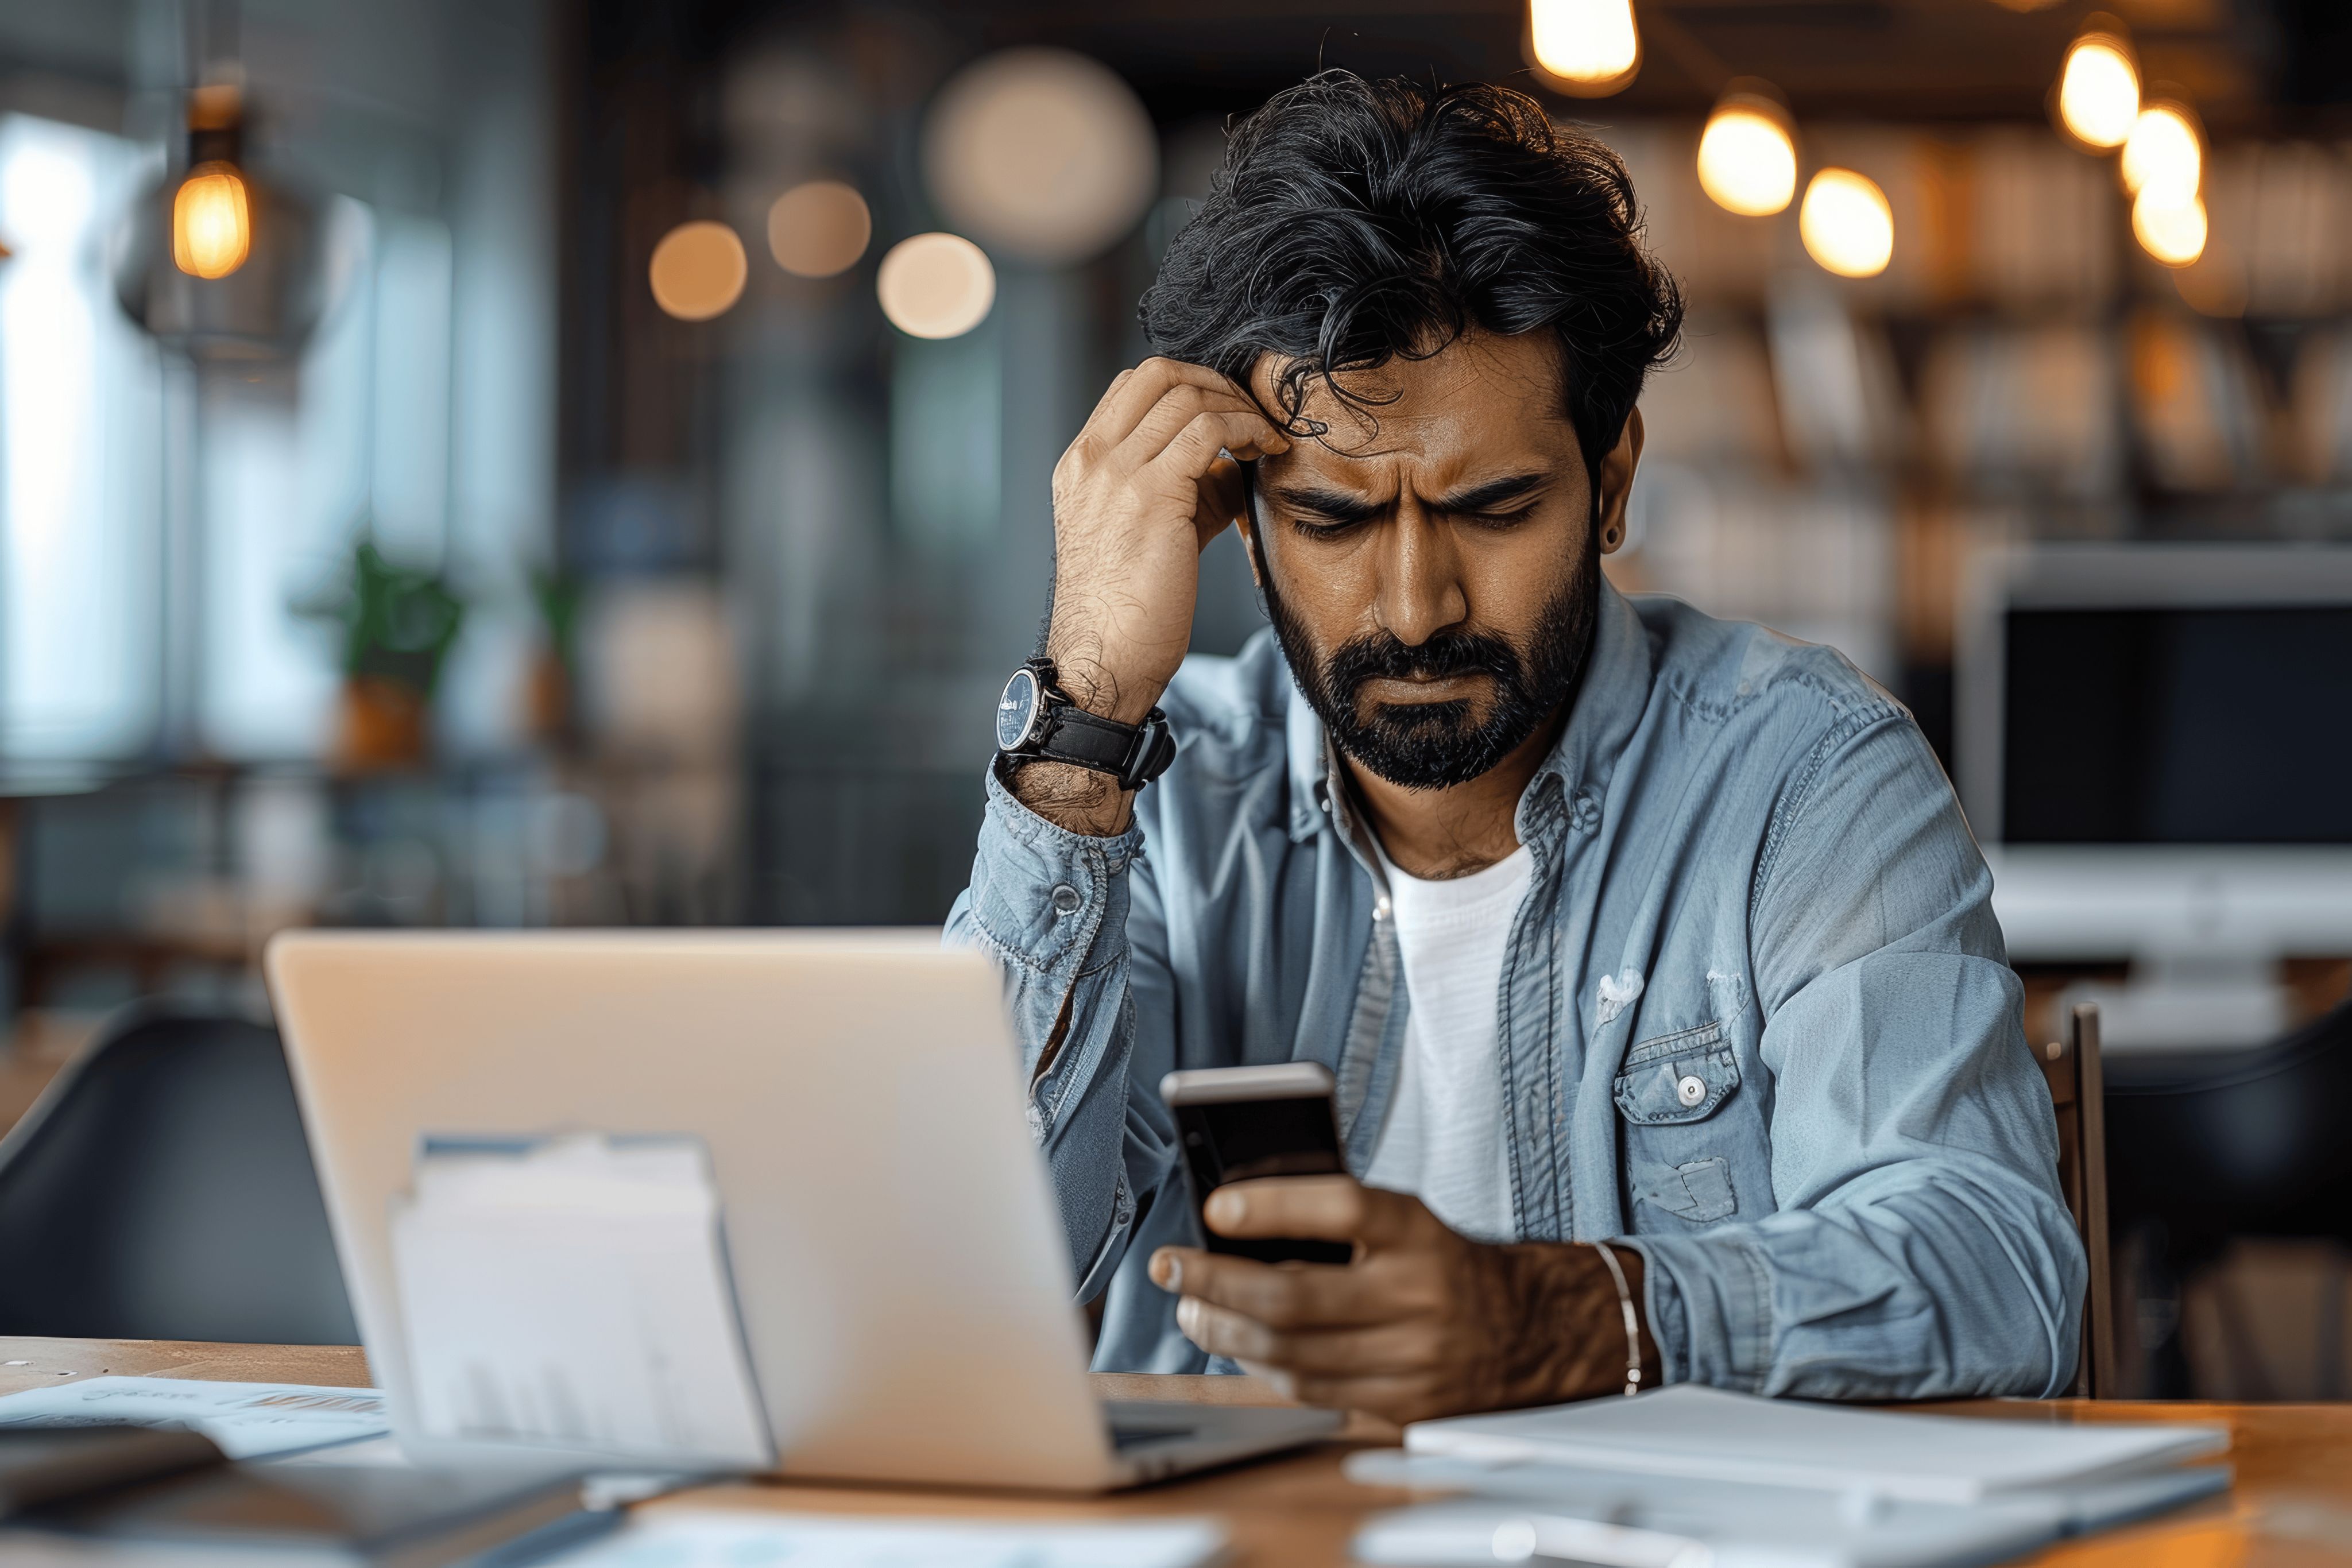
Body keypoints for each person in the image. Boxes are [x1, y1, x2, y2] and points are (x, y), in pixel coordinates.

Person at [946, 71, 2083, 1421]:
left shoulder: (1802, 775)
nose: (1416, 607)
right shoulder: (1161, 795)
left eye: (1491, 510)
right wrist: (1080, 724)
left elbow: (1994, 1269)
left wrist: (1562, 1319)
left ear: (1609, 486)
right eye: (1333, 523)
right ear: (1235, 519)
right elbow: (961, 1286)